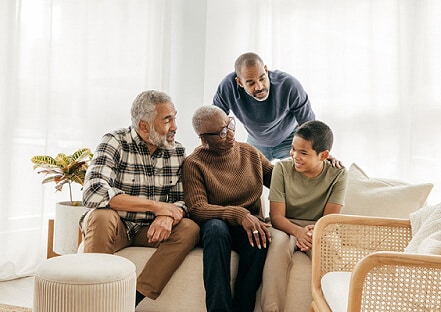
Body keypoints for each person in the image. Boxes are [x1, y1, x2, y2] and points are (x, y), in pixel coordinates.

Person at [81, 90, 200, 307]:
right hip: (118, 225)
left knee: (189, 228)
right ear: (144, 126)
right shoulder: (114, 141)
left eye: (174, 117)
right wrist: (157, 207)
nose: (175, 126)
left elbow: (184, 200)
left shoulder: (178, 152)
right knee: (101, 216)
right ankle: (94, 300)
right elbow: (93, 191)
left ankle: (129, 300)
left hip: (151, 231)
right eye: (167, 120)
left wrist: (168, 217)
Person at [182, 105, 273, 312]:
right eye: (221, 133)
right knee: (216, 229)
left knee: (261, 238)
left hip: (247, 225)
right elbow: (197, 208)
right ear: (204, 139)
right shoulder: (194, 164)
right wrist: (238, 213)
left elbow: (280, 179)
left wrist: (319, 163)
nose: (230, 134)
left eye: (229, 125)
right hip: (216, 226)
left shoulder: (249, 152)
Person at [260, 120, 347, 312]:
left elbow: (329, 220)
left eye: (304, 153)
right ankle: (271, 309)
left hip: (319, 227)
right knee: (280, 244)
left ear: (323, 155)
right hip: (284, 224)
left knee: (330, 247)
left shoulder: (338, 174)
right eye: (293, 149)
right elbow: (276, 216)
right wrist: (298, 232)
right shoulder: (282, 168)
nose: (295, 156)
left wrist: (312, 231)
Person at [213, 52, 315, 161]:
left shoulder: (289, 85)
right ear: (240, 82)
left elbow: (309, 124)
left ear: (266, 70)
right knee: (248, 175)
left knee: (298, 173)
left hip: (289, 139)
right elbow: (215, 119)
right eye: (251, 83)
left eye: (262, 78)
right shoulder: (228, 87)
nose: (259, 87)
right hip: (256, 140)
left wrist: (320, 152)